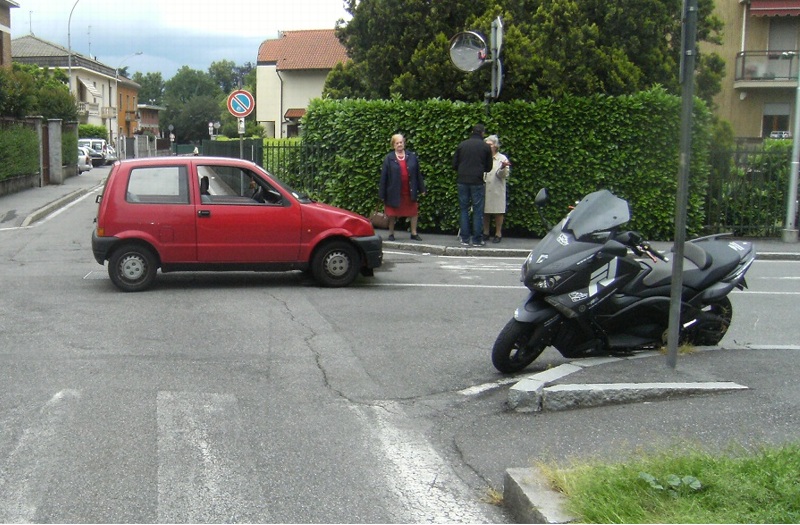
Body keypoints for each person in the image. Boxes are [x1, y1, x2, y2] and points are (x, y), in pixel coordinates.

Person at [379, 133, 426, 241]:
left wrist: (422, 189)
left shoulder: (412, 156)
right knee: (392, 214)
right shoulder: (389, 158)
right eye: (397, 143)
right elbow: (384, 177)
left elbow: (418, 174)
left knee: (413, 212)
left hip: (409, 190)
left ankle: (414, 233)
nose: (400, 144)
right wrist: (382, 194)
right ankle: (391, 233)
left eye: (401, 142)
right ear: (393, 145)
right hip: (394, 191)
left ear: (404, 143)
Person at [453, 124, 493, 246]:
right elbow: (488, 167)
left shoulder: (462, 145)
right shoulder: (485, 147)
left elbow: (454, 164)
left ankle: (464, 238)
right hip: (477, 181)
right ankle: (477, 239)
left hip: (462, 180)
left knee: (464, 209)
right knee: (477, 210)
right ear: (482, 133)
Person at [482, 134, 511, 243]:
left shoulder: (502, 158)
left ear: (495, 146)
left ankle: (498, 233)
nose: (488, 146)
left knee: (498, 212)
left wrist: (503, 167)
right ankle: (485, 232)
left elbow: (503, 175)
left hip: (496, 188)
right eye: (486, 144)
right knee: (485, 212)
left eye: (490, 144)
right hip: (485, 187)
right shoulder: (483, 157)